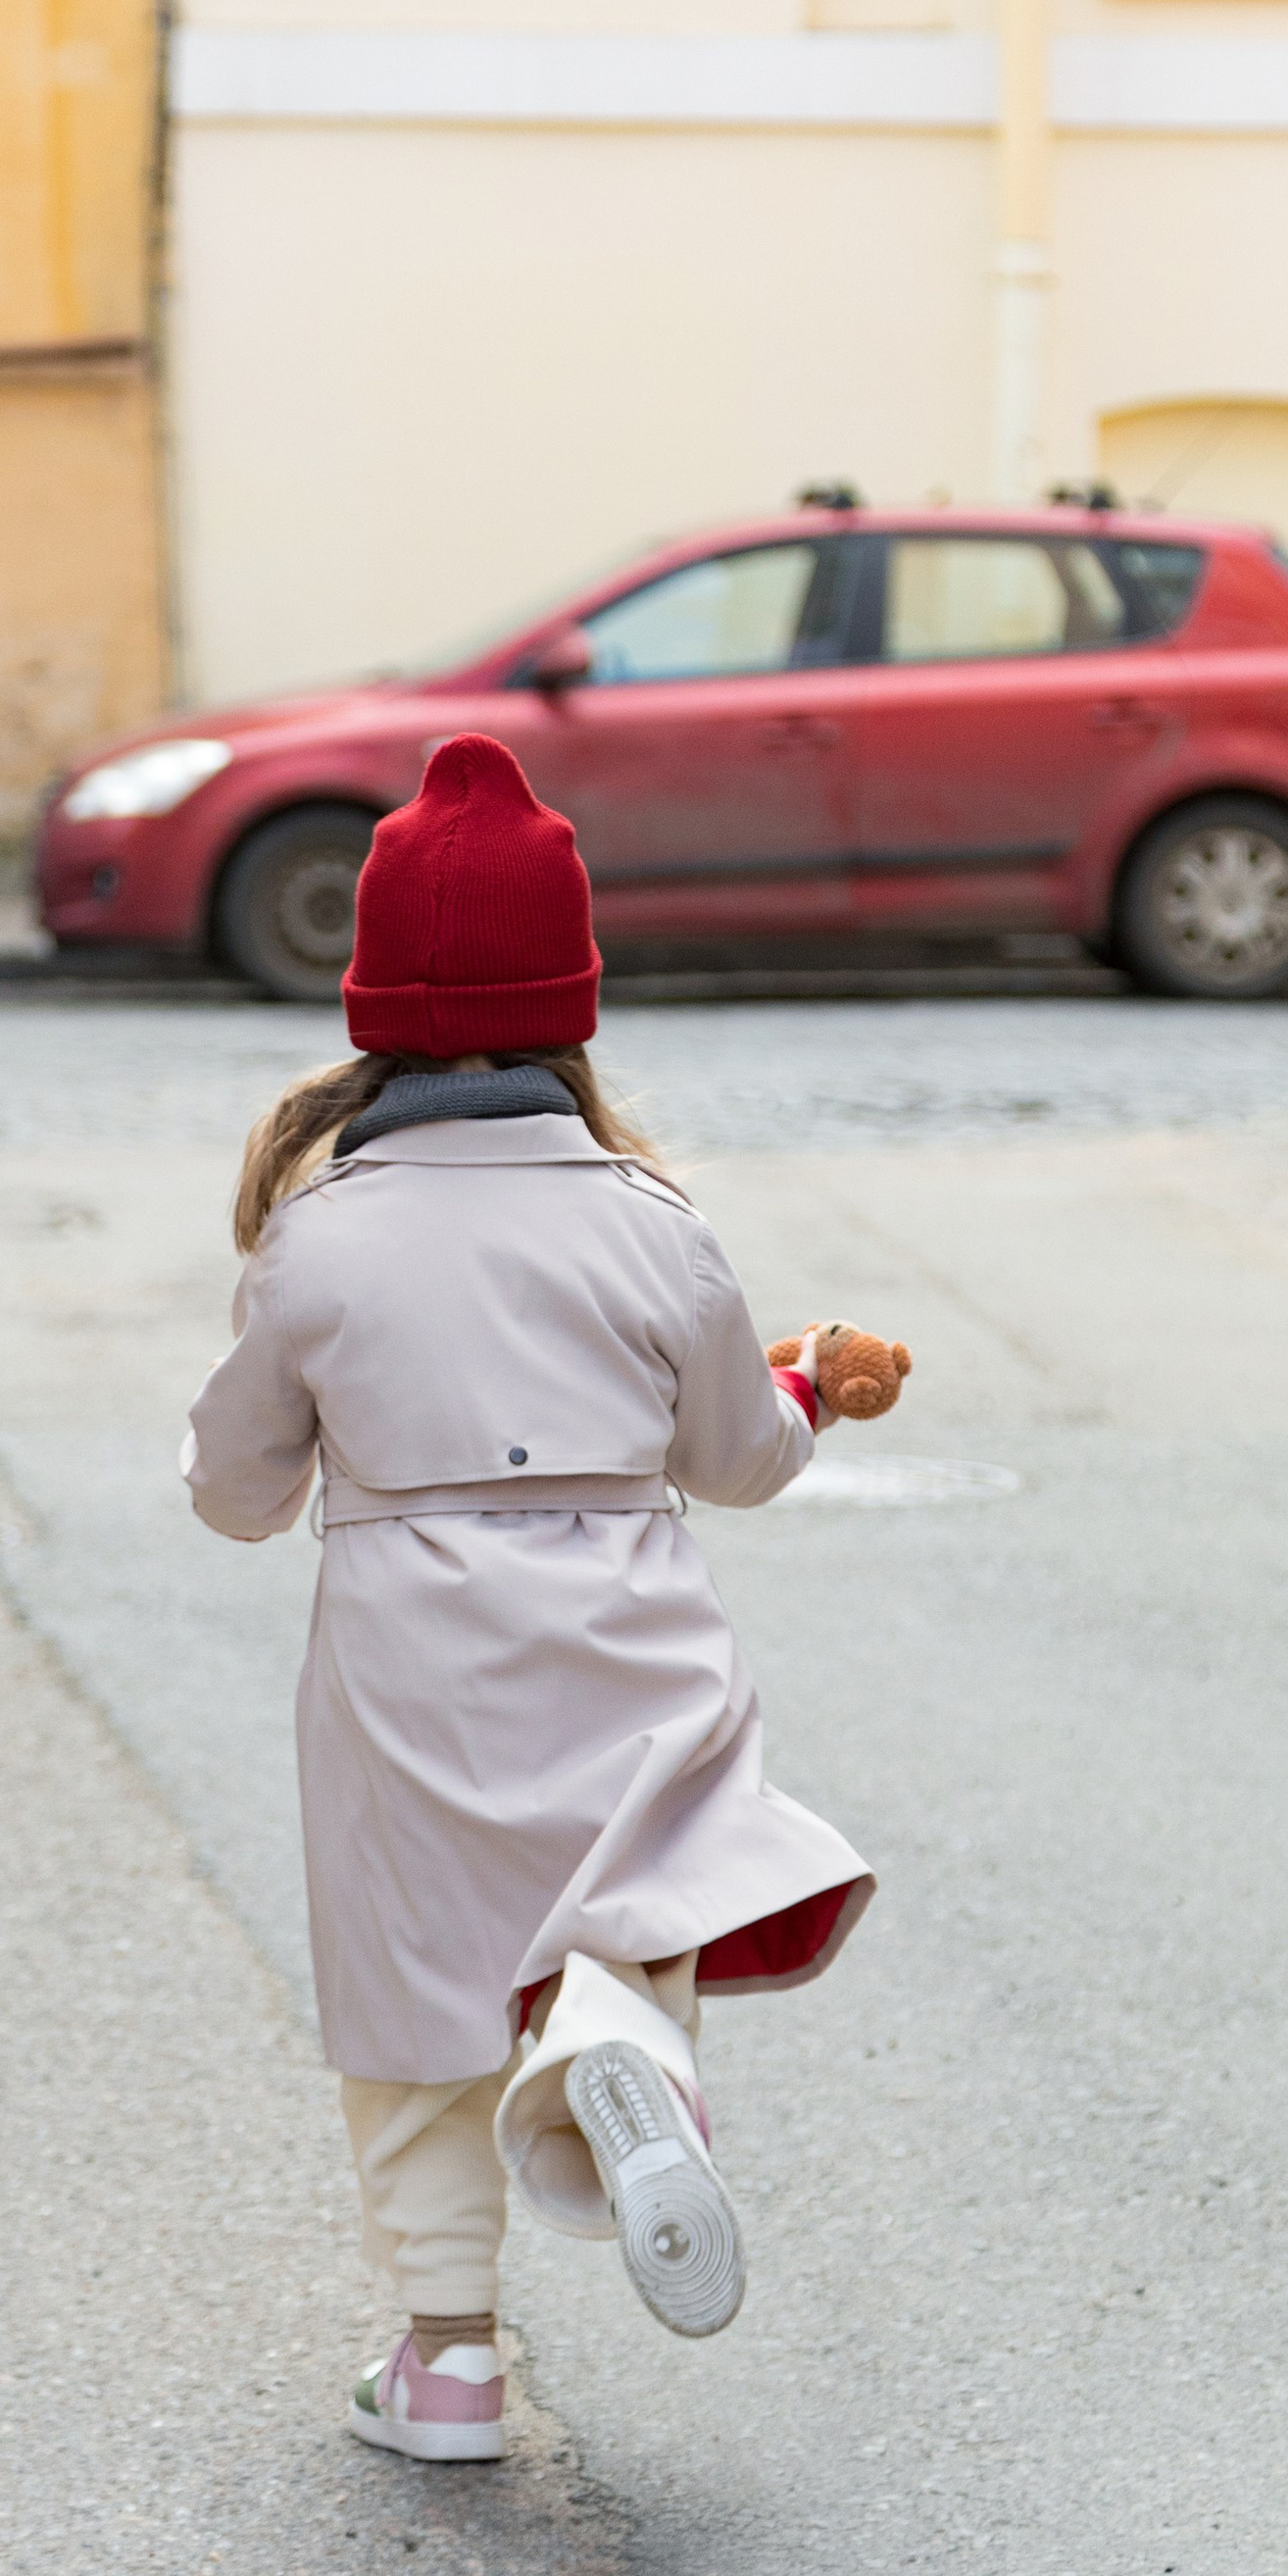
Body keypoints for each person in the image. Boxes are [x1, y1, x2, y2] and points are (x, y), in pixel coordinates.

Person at [181, 732, 876, 2462]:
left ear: (371, 1003)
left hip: (409, 1658)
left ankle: (448, 2364)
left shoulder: (322, 1236)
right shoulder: (654, 1221)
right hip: (625, 1634)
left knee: (416, 2000)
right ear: (573, 1000)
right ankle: (620, 2076)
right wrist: (798, 1386)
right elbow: (737, 1461)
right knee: (622, 1919)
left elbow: (236, 1492)